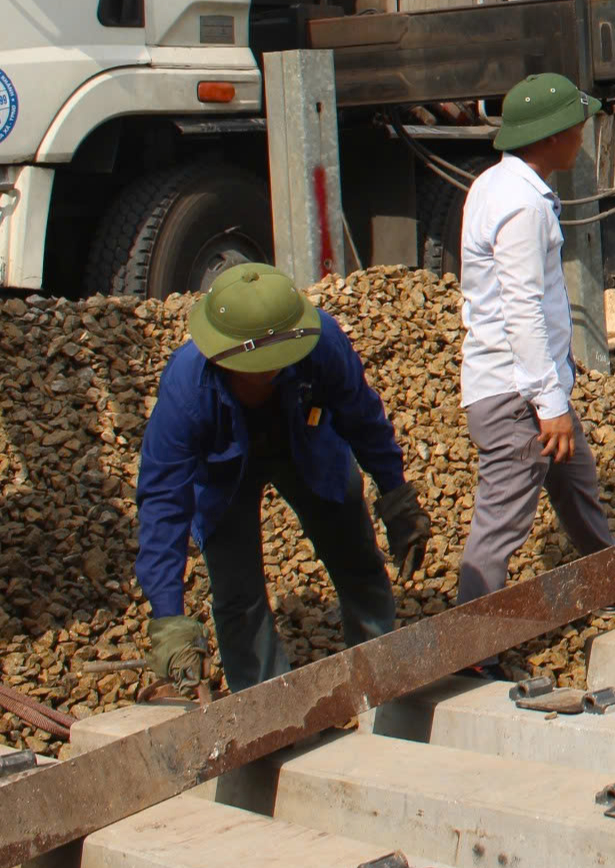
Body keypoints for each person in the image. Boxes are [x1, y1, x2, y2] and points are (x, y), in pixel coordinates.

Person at [136, 264, 431, 692]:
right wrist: (168, 619)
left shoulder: (321, 342)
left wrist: (396, 493)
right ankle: (265, 706)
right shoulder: (187, 389)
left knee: (357, 557)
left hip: (306, 442)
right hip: (224, 472)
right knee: (238, 595)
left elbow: (362, 418)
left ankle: (378, 675)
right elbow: (163, 501)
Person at [456, 72, 615, 618]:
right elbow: (521, 309)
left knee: (577, 488)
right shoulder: (523, 208)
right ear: (552, 135)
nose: (583, 135)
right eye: (578, 125)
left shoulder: (496, 186)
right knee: (502, 520)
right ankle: (472, 641)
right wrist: (549, 406)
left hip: (528, 385)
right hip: (515, 396)